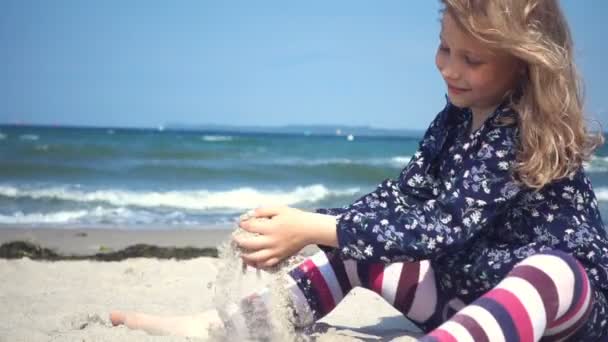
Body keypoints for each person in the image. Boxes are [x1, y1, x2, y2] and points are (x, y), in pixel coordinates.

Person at [110, 0, 608, 340]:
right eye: (445, 48)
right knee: (356, 247)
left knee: (555, 271)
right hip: (467, 298)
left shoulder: (518, 130)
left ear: (523, 62)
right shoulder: (454, 120)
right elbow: (402, 203)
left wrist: (313, 227)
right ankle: (232, 327)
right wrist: (309, 225)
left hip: (555, 316)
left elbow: (438, 228)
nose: (449, 68)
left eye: (471, 59)